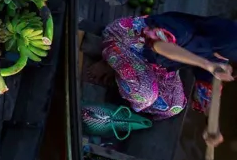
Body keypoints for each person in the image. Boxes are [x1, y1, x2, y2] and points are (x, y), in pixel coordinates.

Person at [86, 12, 235, 142]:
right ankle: (110, 64)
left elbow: (207, 92)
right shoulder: (184, 29)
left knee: (173, 106)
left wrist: (212, 126)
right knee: (145, 95)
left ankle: (125, 78)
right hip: (128, 42)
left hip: (157, 64)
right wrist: (206, 64)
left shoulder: (218, 57)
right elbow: (159, 46)